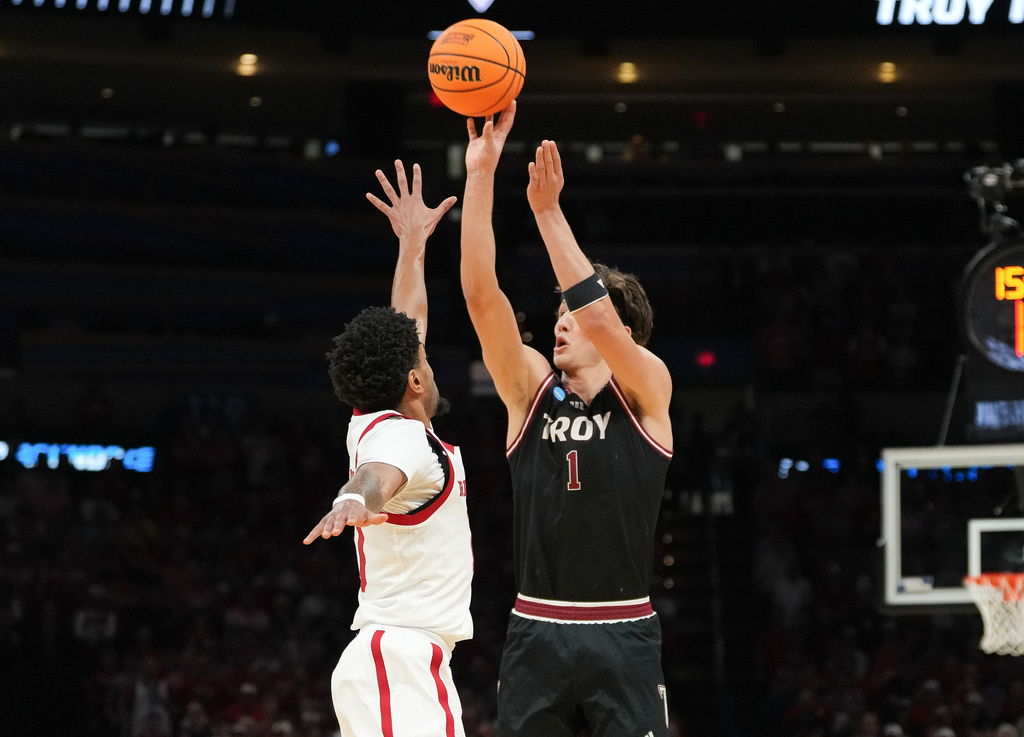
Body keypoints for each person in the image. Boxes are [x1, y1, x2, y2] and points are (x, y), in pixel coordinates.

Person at [460, 99, 675, 737]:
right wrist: (481, 172)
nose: (561, 321)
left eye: (571, 314)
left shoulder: (648, 388)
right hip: (536, 624)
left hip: (624, 626)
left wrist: (548, 213)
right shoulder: (529, 388)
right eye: (557, 312)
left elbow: (603, 320)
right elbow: (480, 294)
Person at [303, 160, 470, 737]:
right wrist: (354, 497)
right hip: (397, 659)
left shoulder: (371, 416)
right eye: (422, 358)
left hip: (399, 659)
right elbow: (379, 476)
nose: (428, 357)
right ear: (415, 382)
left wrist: (413, 244)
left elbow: (407, 323)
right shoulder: (404, 439)